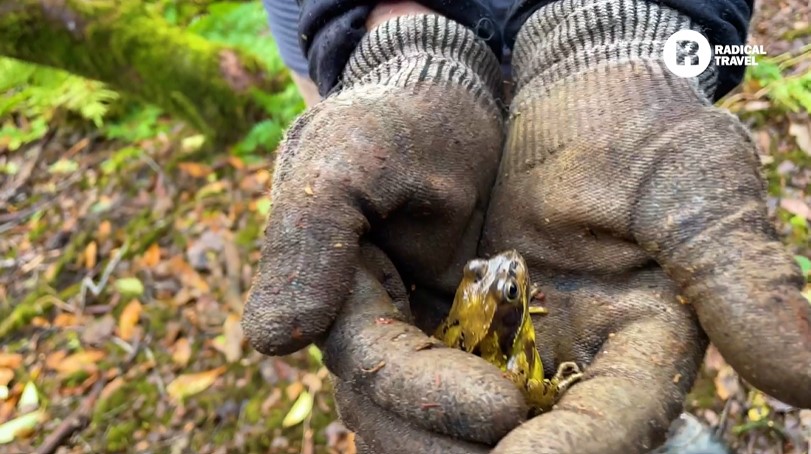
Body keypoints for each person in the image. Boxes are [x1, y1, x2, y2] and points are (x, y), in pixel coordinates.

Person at [246, 0, 811, 453]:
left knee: (635, 339)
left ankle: (665, 433)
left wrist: (624, 47)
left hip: (590, 96)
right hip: (410, 96)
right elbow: (324, 101)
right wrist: (388, 49)